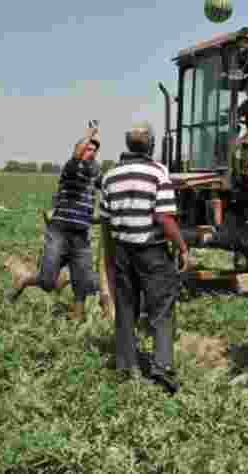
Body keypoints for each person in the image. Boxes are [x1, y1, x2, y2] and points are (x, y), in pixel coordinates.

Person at [99, 122, 190, 393]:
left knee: (126, 307)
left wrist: (109, 257)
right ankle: (162, 369)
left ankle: (126, 367)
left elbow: (105, 221)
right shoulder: (157, 172)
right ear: (150, 145)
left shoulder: (110, 176)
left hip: (122, 250)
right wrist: (183, 247)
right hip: (151, 251)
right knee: (161, 309)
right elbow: (163, 217)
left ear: (128, 145)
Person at [10, 121, 103, 321]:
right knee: (48, 281)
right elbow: (77, 153)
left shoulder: (93, 175)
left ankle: (77, 315)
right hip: (59, 232)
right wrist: (90, 133)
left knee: (82, 278)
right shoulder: (71, 168)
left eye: (94, 150)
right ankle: (26, 279)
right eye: (88, 148)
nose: (91, 153)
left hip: (80, 234)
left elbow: (108, 185)